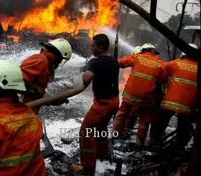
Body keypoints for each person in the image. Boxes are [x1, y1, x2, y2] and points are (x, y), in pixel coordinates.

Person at [71, 34, 120, 175]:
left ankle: (87, 167)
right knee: (101, 128)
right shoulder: (113, 61)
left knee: (86, 130)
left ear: (101, 47)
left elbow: (86, 78)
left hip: (102, 104)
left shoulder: (96, 62)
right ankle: (102, 155)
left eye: (93, 46)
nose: (91, 48)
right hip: (114, 101)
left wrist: (89, 66)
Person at [112, 43, 167, 151]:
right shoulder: (160, 63)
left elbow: (120, 62)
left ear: (143, 50)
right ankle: (139, 143)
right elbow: (163, 80)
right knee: (144, 119)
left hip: (130, 94)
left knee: (122, 113)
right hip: (146, 97)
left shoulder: (137, 57)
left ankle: (116, 135)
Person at [150, 43, 198, 150]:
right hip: (187, 105)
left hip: (171, 101)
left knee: (162, 121)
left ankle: (154, 140)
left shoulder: (176, 63)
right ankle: (179, 146)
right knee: (183, 126)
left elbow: (161, 68)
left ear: (183, 54)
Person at [20, 38, 73, 114]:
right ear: (58, 55)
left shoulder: (46, 63)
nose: (59, 63)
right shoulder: (40, 60)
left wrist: (50, 100)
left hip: (29, 111)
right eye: (61, 60)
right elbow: (19, 80)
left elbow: (34, 88)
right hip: (21, 111)